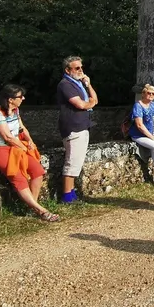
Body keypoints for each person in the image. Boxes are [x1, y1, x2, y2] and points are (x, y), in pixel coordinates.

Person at [0, 85, 60, 222]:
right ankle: (41, 210)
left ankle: (32, 208)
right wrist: (23, 147)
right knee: (18, 177)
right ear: (10, 99)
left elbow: (22, 128)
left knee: (37, 172)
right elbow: (7, 137)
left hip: (17, 148)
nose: (23, 98)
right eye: (20, 96)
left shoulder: (16, 110)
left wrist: (30, 141)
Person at [57, 56, 98, 204]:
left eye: (81, 67)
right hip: (73, 127)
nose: (80, 70)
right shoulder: (66, 84)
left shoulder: (79, 84)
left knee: (77, 162)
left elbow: (95, 100)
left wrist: (88, 85)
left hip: (81, 125)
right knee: (72, 162)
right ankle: (67, 197)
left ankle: (72, 194)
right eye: (76, 68)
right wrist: (90, 103)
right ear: (67, 70)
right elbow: (80, 104)